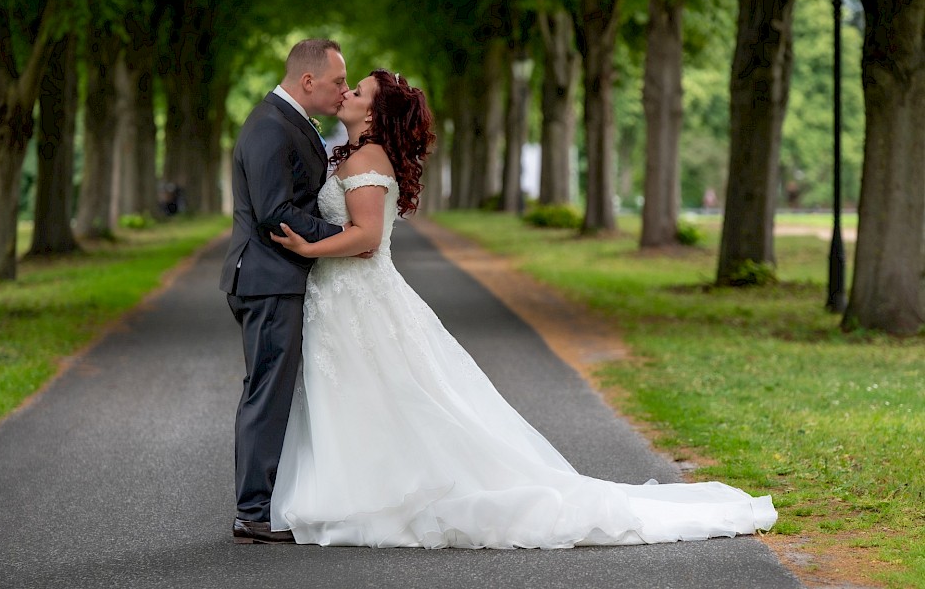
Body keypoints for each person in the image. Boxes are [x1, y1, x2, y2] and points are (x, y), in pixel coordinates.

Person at [269, 69, 778, 548]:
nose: (347, 95)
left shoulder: (366, 160)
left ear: (376, 116)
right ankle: (359, 491)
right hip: (346, 297)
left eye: (358, 92)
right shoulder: (355, 156)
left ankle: (374, 497)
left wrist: (308, 249)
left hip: (360, 295)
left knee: (388, 396)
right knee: (369, 397)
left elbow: (367, 238)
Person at [219, 39, 349, 544]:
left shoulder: (286, 121)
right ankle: (252, 512)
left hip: (275, 278)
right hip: (268, 279)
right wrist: (340, 239)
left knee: (271, 389)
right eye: (338, 81)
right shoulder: (271, 127)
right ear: (309, 80)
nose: (343, 89)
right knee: (266, 393)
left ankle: (265, 504)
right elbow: (275, 213)